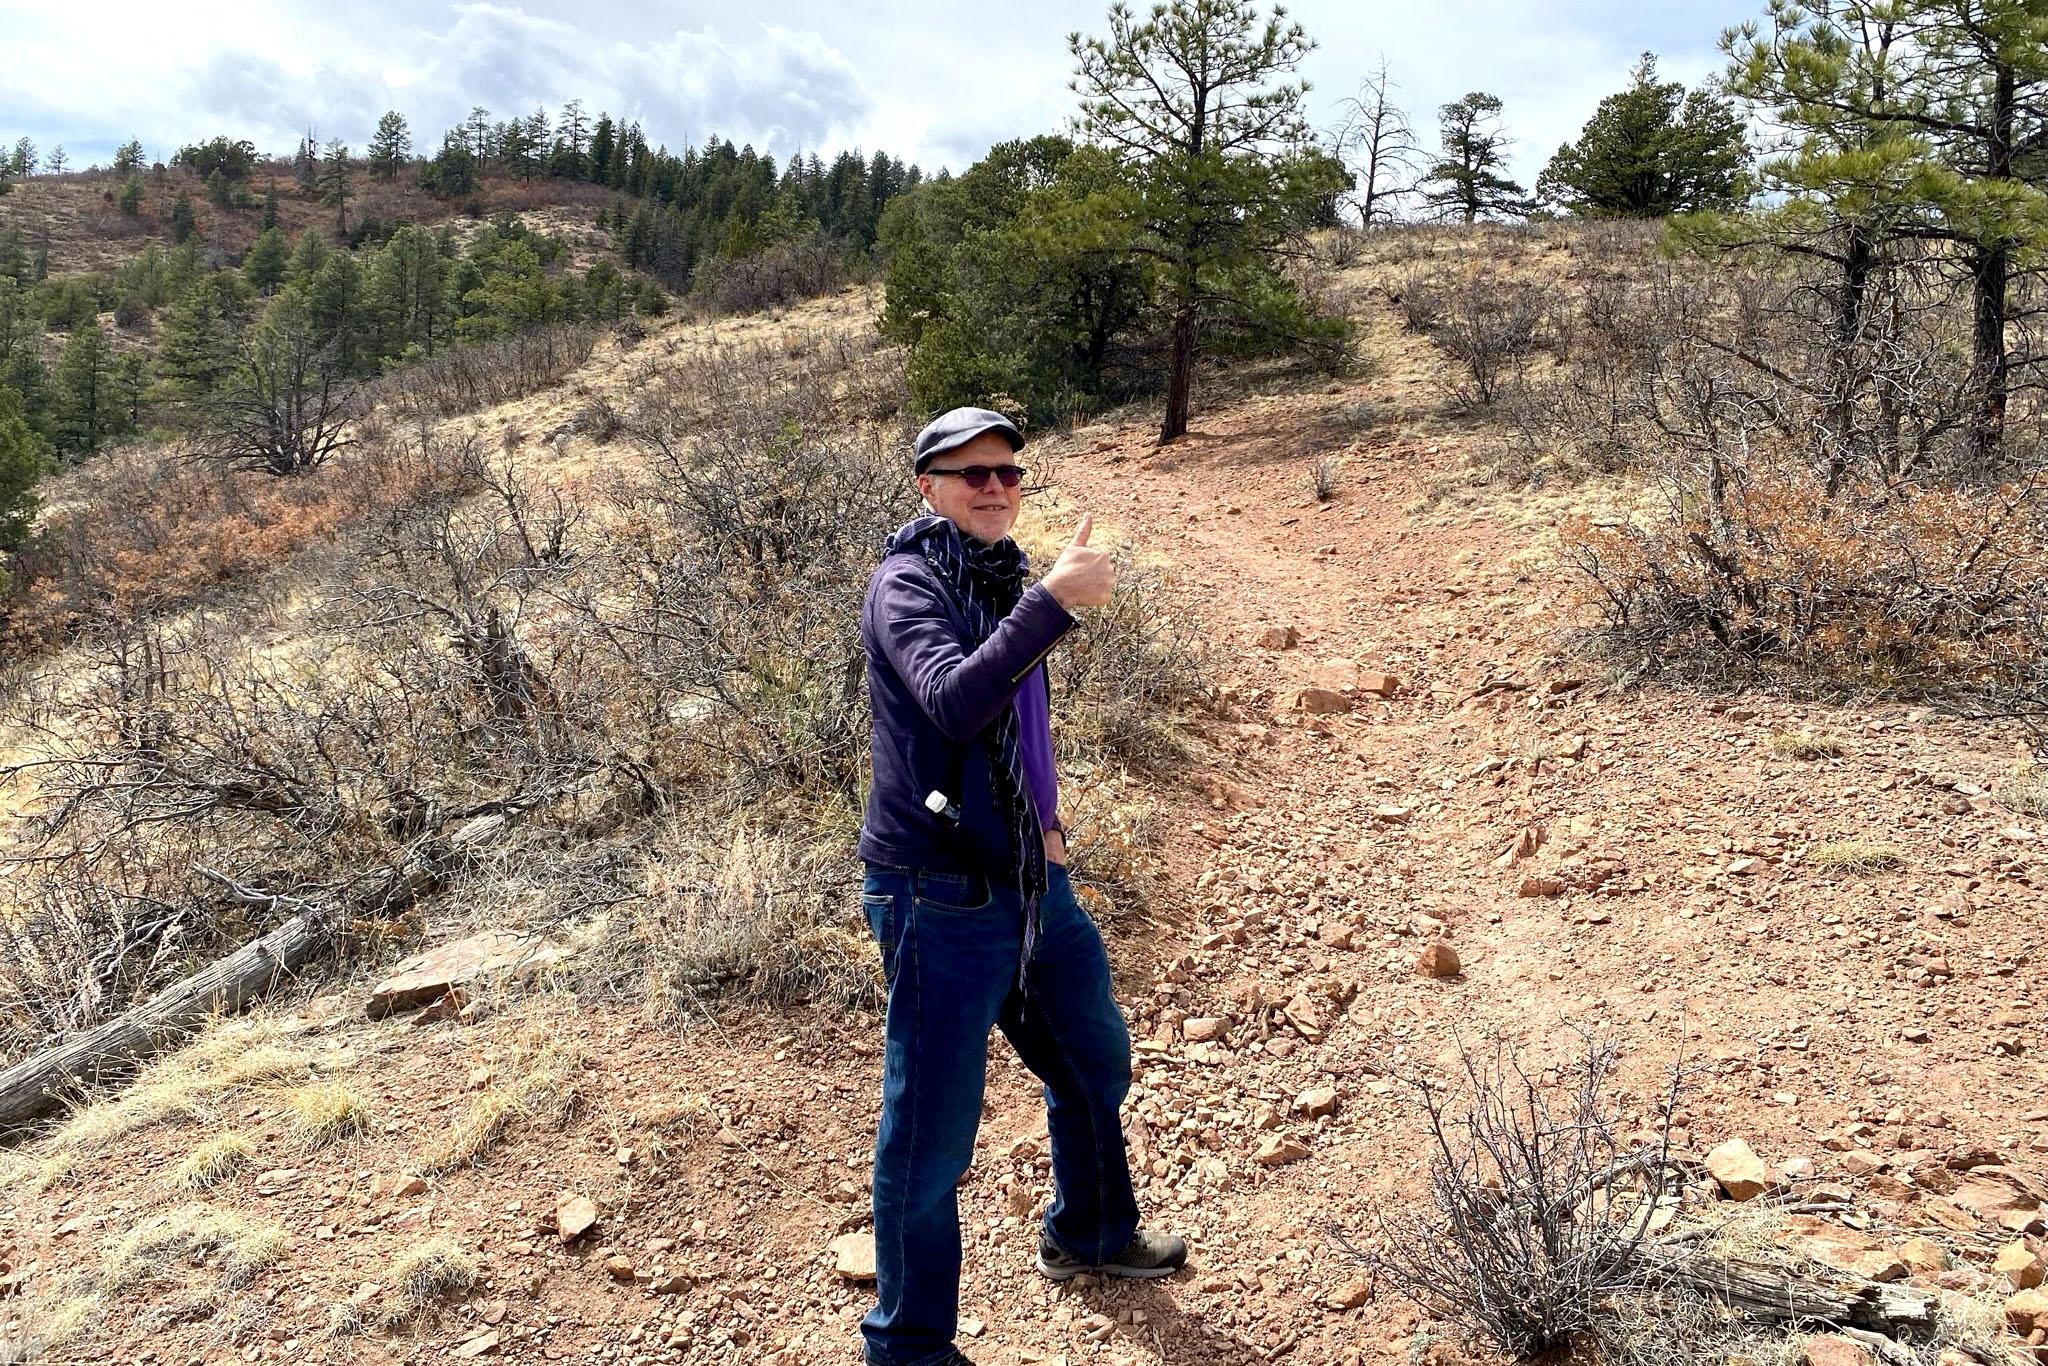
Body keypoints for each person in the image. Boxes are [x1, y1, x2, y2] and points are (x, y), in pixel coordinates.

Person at [857, 407, 1186, 1365]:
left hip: (1030, 875)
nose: (995, 486)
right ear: (928, 486)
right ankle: (908, 1349)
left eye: (1007, 471)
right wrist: (1053, 603)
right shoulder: (907, 583)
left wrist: (1046, 822)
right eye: (971, 474)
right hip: (938, 890)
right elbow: (957, 699)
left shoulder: (995, 571)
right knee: (932, 1134)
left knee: (1093, 1060)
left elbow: (1015, 722)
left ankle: (1088, 1234)